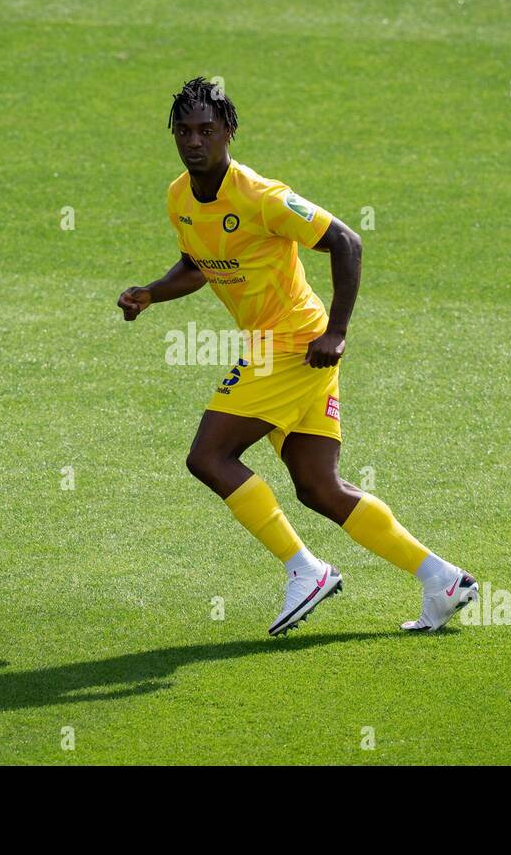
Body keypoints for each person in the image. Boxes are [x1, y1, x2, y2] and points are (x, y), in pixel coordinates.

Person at [118, 77, 477, 636]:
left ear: (228, 133)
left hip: (291, 344)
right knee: (318, 486)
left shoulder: (262, 196)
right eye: (184, 131)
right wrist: (151, 292)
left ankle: (304, 570)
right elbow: (195, 266)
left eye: (206, 130)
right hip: (290, 350)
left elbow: (346, 242)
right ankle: (442, 579)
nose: (194, 141)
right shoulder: (179, 198)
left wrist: (337, 331)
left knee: (209, 457)